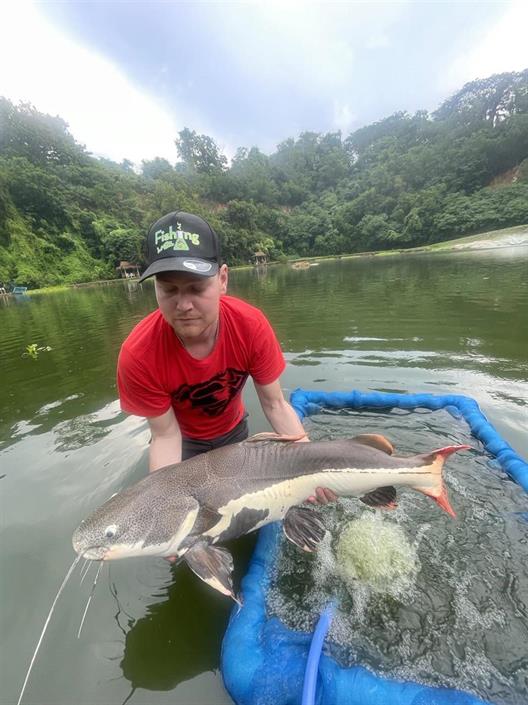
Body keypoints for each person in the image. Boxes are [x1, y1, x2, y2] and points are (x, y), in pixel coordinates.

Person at [117, 210, 336, 504]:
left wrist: (313, 466)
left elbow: (275, 405)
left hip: (234, 434)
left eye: (196, 288)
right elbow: (166, 436)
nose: (183, 305)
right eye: (168, 289)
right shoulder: (139, 354)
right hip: (184, 444)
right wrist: (165, 503)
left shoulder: (250, 326)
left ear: (222, 279)